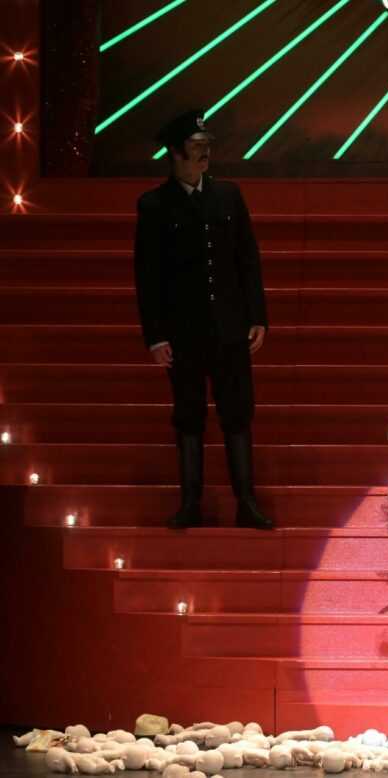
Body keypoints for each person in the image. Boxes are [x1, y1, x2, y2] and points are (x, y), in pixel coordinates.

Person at [133, 109, 273, 530]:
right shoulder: (155, 205)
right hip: (184, 330)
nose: (205, 151)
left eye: (206, 144)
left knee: (237, 412)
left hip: (230, 326)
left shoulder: (228, 196)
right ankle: (190, 502)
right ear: (175, 153)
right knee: (189, 414)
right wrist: (156, 336)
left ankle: (245, 502)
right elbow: (148, 276)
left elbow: (247, 260)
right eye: (196, 146)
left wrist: (258, 317)